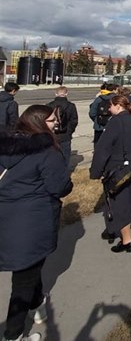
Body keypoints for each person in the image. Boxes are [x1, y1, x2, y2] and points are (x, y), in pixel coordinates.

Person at [0, 105, 73, 341]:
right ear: (40, 122)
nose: (55, 125)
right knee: (22, 282)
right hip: (31, 222)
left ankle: (38, 303)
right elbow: (58, 186)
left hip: (7, 217)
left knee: (30, 269)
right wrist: (67, 184)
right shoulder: (46, 151)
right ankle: (13, 334)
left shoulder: (6, 145)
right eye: (52, 121)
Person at [89, 95, 131, 253]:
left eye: (110, 106)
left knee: (118, 202)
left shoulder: (115, 122)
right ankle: (112, 228)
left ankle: (127, 240)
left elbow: (102, 149)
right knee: (125, 198)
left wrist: (95, 171)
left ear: (118, 106)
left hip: (117, 166)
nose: (108, 109)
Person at [47, 86, 79, 168]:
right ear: (66, 93)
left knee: (51, 156)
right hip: (65, 134)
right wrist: (70, 131)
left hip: (52, 135)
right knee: (65, 156)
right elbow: (74, 121)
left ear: (56, 93)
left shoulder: (49, 105)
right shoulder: (71, 106)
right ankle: (64, 174)